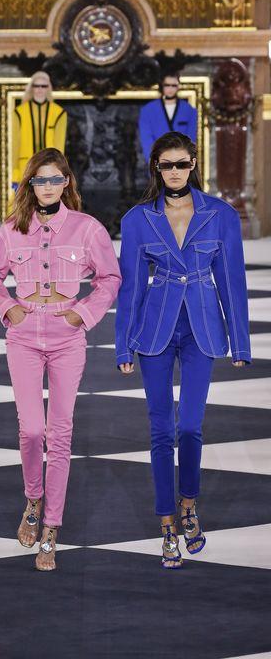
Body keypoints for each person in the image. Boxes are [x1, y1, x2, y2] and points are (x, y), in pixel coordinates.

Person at [115, 131, 250, 569]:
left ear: (194, 164)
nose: (174, 172)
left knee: (190, 426)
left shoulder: (220, 215)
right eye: (166, 165)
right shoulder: (138, 219)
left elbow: (232, 280)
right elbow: (131, 287)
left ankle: (189, 503)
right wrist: (123, 345)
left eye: (182, 164)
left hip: (202, 327)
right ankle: (167, 525)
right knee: (160, 431)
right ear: (156, 168)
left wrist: (240, 340)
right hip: (155, 328)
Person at [0, 147, 121, 571]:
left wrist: (84, 313)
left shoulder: (86, 228)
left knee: (60, 434)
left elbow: (110, 278)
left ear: (66, 183)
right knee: (31, 430)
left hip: (67, 336)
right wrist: (9, 308)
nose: (47, 187)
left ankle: (51, 528)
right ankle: (33, 498)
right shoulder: (12, 229)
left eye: (54, 179)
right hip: (24, 336)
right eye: (39, 179)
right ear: (30, 184)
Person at [11, 72, 67, 197]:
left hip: (50, 167)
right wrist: (15, 174)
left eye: (43, 86)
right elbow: (15, 145)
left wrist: (60, 172)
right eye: (36, 86)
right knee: (25, 202)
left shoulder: (59, 113)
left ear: (48, 88)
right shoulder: (19, 112)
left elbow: (59, 147)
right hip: (25, 166)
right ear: (31, 88)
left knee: (48, 200)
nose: (40, 89)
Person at [139, 73, 197, 163]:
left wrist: (185, 160)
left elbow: (191, 138)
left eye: (174, 85)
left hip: (181, 161)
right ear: (161, 86)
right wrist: (153, 161)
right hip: (158, 160)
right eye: (167, 85)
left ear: (178, 86)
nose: (170, 89)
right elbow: (146, 139)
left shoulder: (189, 110)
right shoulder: (147, 110)